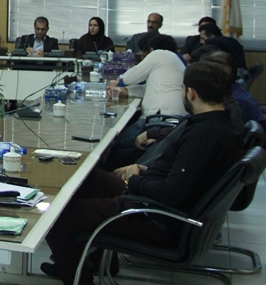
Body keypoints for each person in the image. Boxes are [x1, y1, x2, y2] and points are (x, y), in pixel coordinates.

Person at [43, 61, 243, 285]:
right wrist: (145, 172)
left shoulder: (202, 137)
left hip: (156, 217)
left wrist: (134, 180)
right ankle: (86, 261)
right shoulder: (223, 126)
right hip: (155, 201)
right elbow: (187, 176)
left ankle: (78, 278)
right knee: (85, 179)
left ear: (191, 93)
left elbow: (171, 193)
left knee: (56, 216)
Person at [103, 34, 187, 169]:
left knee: (110, 142)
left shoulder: (158, 54)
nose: (143, 58)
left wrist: (122, 84)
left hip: (159, 119)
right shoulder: (175, 61)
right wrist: (125, 91)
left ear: (151, 49)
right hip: (176, 121)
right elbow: (150, 88)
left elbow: (129, 78)